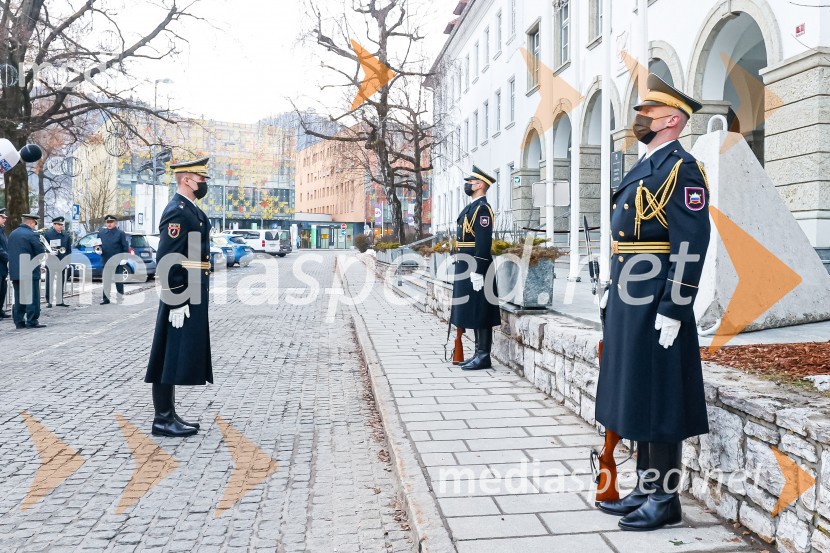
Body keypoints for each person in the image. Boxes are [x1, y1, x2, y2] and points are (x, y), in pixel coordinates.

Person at [594, 74, 711, 531]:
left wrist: (674, 307)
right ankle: (645, 487)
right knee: (638, 390)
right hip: (631, 294)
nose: (638, 120)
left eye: (646, 114)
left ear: (672, 121)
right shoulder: (647, 164)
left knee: (661, 394)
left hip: (657, 296)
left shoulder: (683, 169)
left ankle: (665, 499)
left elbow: (690, 243)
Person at [145, 156, 213, 437]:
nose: (204, 183)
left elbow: (193, 252)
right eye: (201, 178)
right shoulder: (177, 211)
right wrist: (176, 298)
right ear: (187, 179)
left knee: (174, 353)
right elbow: (167, 258)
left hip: (192, 290)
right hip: (181, 294)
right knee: (167, 354)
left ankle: (168, 415)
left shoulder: (191, 210)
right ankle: (162, 419)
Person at [449, 164, 500, 371]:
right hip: (466, 262)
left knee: (482, 309)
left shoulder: (482, 209)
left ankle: (484, 355)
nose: (467, 185)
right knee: (474, 308)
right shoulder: (472, 207)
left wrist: (478, 270)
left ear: (480, 185)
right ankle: (478, 352)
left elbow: (483, 242)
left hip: (478, 264)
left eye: (470, 182)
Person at [8, 213, 47, 329]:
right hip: (29, 271)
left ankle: (19, 321)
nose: (35, 225)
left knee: (19, 297)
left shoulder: (12, 234)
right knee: (32, 297)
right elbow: (40, 252)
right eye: (35, 223)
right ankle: (32, 321)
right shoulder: (32, 235)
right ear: (31, 222)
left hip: (16, 271)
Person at [99, 214, 129, 305]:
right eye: (107, 222)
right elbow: (97, 244)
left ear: (115, 223)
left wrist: (124, 258)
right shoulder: (101, 233)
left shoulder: (120, 233)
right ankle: (106, 299)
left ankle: (120, 298)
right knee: (106, 280)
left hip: (117, 260)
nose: (109, 224)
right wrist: (98, 250)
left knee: (118, 280)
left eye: (111, 222)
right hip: (106, 259)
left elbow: (125, 246)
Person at [44, 216, 72, 308]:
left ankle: (60, 300)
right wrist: (49, 252)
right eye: (59, 225)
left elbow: (68, 250)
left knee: (61, 281)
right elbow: (44, 247)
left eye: (62, 225)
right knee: (50, 281)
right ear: (54, 225)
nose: (61, 226)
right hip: (51, 261)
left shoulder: (66, 236)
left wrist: (68, 261)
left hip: (61, 261)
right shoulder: (48, 235)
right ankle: (49, 300)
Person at [0, 209, 9, 319]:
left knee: (3, 290)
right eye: (2, 217)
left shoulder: (2, 231)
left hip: (3, 266)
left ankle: (0, 310)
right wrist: (9, 258)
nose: (5, 219)